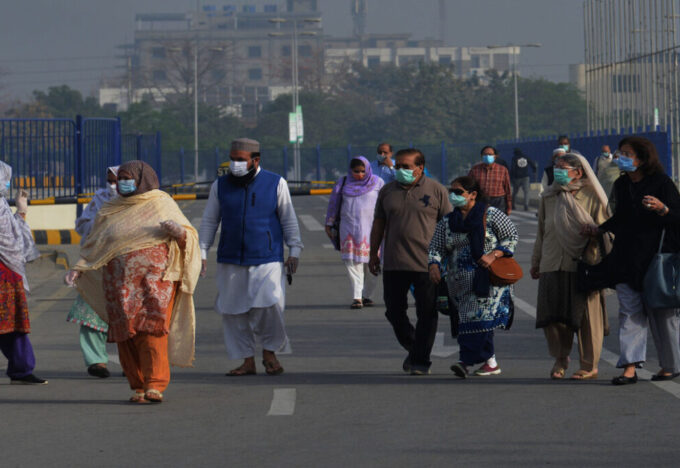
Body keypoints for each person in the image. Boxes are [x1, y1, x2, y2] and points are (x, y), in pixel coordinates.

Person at [65, 160, 201, 403]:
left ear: (141, 179)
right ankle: (138, 386)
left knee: (151, 330)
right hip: (118, 285)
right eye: (120, 179)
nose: (121, 183)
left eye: (127, 178)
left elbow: (188, 235)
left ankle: (155, 384)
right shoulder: (110, 209)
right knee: (125, 334)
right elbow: (95, 243)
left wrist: (178, 232)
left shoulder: (160, 202)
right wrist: (78, 268)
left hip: (155, 281)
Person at [199, 138, 303, 376]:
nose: (234, 163)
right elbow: (209, 221)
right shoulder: (220, 186)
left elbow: (288, 219)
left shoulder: (275, 183)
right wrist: (202, 252)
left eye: (240, 159)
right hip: (230, 258)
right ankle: (247, 360)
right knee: (232, 311)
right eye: (232, 158)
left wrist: (294, 251)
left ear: (255, 160)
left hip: (267, 257)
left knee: (270, 305)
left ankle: (270, 352)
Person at [583, 137, 680, 385]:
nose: (621, 157)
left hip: (656, 260)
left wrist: (662, 209)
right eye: (620, 153)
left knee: (662, 315)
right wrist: (599, 230)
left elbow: (676, 216)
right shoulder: (622, 184)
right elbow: (620, 217)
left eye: (627, 153)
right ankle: (629, 367)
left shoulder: (661, 183)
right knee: (629, 313)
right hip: (626, 258)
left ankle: (670, 365)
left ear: (642, 158)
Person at [369, 148, 452, 375]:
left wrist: (446, 258)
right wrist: (373, 253)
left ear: (420, 168)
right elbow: (378, 223)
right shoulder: (387, 191)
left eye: (405, 166)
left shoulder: (436, 190)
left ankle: (420, 361)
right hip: (394, 262)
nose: (400, 170)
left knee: (427, 313)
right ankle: (415, 347)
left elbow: (448, 225)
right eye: (398, 166)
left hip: (428, 264)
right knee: (393, 311)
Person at [428, 176, 518, 378]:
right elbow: (436, 247)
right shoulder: (448, 221)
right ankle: (490, 362)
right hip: (459, 282)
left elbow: (511, 237)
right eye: (452, 191)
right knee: (468, 322)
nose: (453, 195)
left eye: (458, 192)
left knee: (480, 319)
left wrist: (494, 254)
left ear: (473, 194)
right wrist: (434, 264)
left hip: (488, 280)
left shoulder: (492, 215)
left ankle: (465, 361)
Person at [531, 153, 610, 380]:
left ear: (578, 172)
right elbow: (542, 231)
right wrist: (536, 261)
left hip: (584, 263)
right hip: (552, 261)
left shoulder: (593, 196)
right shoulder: (549, 196)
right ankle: (560, 358)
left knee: (587, 317)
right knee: (552, 317)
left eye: (563, 168)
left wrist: (595, 232)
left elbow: (607, 229)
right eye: (556, 167)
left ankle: (589, 365)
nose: (558, 171)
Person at [66, 166, 119, 378]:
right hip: (96, 264)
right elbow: (82, 225)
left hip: (127, 266)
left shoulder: (140, 202)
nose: (113, 185)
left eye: (118, 180)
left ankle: (132, 363)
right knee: (91, 312)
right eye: (110, 181)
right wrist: (99, 222)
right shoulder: (99, 199)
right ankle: (96, 361)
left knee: (130, 316)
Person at [0, 162, 46, 385]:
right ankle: (21, 369)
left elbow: (13, 238)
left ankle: (21, 369)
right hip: (6, 272)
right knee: (13, 322)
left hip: (8, 272)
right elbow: (15, 242)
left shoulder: (2, 205)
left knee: (14, 323)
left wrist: (21, 211)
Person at [325, 156, 384, 309]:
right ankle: (357, 297)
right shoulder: (343, 183)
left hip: (373, 231)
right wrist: (329, 223)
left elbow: (385, 205)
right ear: (350, 170)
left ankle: (367, 295)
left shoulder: (377, 183)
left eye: (363, 171)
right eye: (356, 171)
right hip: (349, 230)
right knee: (352, 263)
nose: (359, 174)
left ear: (368, 170)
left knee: (372, 265)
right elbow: (333, 204)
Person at [468, 146, 512, 214]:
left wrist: (509, 206)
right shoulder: (475, 169)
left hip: (498, 201)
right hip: (481, 200)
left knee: (497, 220)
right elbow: (469, 186)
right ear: (481, 156)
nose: (487, 156)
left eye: (490, 154)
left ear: (495, 156)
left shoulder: (503, 170)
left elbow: (507, 189)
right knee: (481, 220)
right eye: (485, 154)